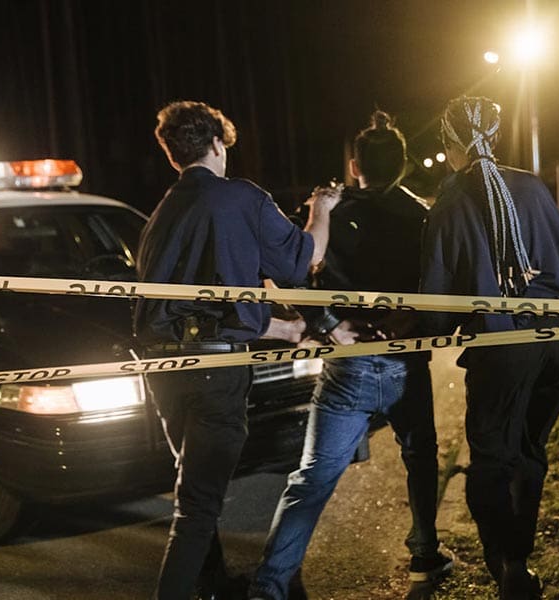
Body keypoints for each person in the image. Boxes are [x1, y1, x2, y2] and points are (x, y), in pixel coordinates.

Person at [135, 100, 340, 600]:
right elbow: (302, 261)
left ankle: (214, 584)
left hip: (164, 368)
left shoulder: (161, 215)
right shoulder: (240, 198)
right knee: (197, 506)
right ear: (218, 143)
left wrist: (285, 332)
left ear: (172, 154)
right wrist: (321, 210)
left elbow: (202, 306)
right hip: (215, 371)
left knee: (193, 482)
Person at [249, 111, 452, 600]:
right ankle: (425, 554)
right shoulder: (424, 215)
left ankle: (270, 584)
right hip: (405, 358)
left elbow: (293, 275)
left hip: (350, 362)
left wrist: (327, 325)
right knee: (420, 456)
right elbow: (441, 282)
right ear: (403, 166)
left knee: (314, 475)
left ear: (355, 165)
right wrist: (417, 321)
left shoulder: (331, 215)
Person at [419, 96, 559, 600]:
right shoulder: (534, 187)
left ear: (450, 144)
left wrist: (433, 328)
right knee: (530, 449)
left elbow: (434, 304)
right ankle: (520, 558)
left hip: (503, 343)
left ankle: (508, 566)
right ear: (493, 138)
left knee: (492, 458)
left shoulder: (450, 201)